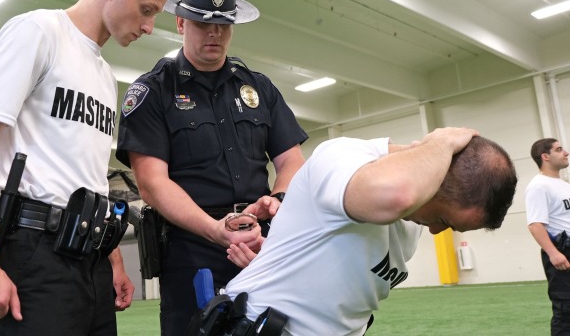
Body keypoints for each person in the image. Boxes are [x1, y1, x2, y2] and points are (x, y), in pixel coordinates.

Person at [0, 0, 174, 336]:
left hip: (90, 265)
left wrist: (112, 258)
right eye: (147, 10)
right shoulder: (38, 32)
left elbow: (85, 175)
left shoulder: (104, 75)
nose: (149, 27)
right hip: (32, 258)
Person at [115, 0, 308, 335]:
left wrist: (277, 199)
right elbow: (152, 183)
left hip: (260, 243)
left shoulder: (260, 88)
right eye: (204, 23)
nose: (215, 33)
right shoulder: (153, 91)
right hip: (192, 251)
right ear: (181, 23)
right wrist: (215, 230)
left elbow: (291, 160)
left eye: (223, 24)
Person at [222, 127, 517, 336]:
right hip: (257, 327)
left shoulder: (415, 223)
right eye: (444, 219)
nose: (439, 232)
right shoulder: (343, 154)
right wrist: (440, 143)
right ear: (434, 174)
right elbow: (393, 196)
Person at [525, 138, 570, 335]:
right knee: (566, 309)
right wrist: (553, 253)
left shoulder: (562, 184)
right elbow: (535, 225)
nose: (566, 152)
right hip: (562, 252)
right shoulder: (538, 186)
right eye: (559, 150)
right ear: (545, 157)